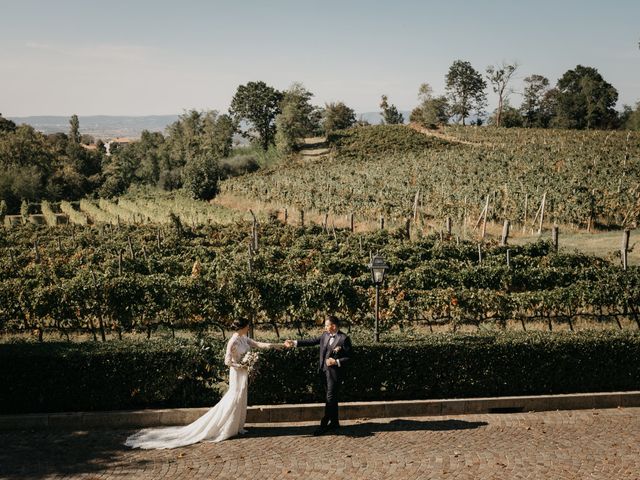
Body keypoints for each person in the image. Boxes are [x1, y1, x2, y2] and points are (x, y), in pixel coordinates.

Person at [125, 318, 283, 449]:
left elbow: (260, 344)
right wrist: (241, 365)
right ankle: (226, 428)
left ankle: (237, 427)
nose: (249, 328)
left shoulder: (244, 338)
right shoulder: (233, 341)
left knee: (241, 399)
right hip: (237, 372)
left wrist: (279, 345)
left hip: (243, 373)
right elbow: (227, 361)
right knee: (234, 398)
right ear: (242, 327)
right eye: (247, 326)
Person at [285, 315, 352, 435]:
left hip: (335, 374)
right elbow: (311, 341)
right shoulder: (325, 335)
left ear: (334, 326)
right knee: (332, 397)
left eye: (327, 325)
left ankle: (324, 424)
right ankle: (335, 422)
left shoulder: (344, 339)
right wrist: (294, 342)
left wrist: (336, 361)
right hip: (323, 371)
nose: (325, 327)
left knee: (329, 398)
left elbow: (349, 358)